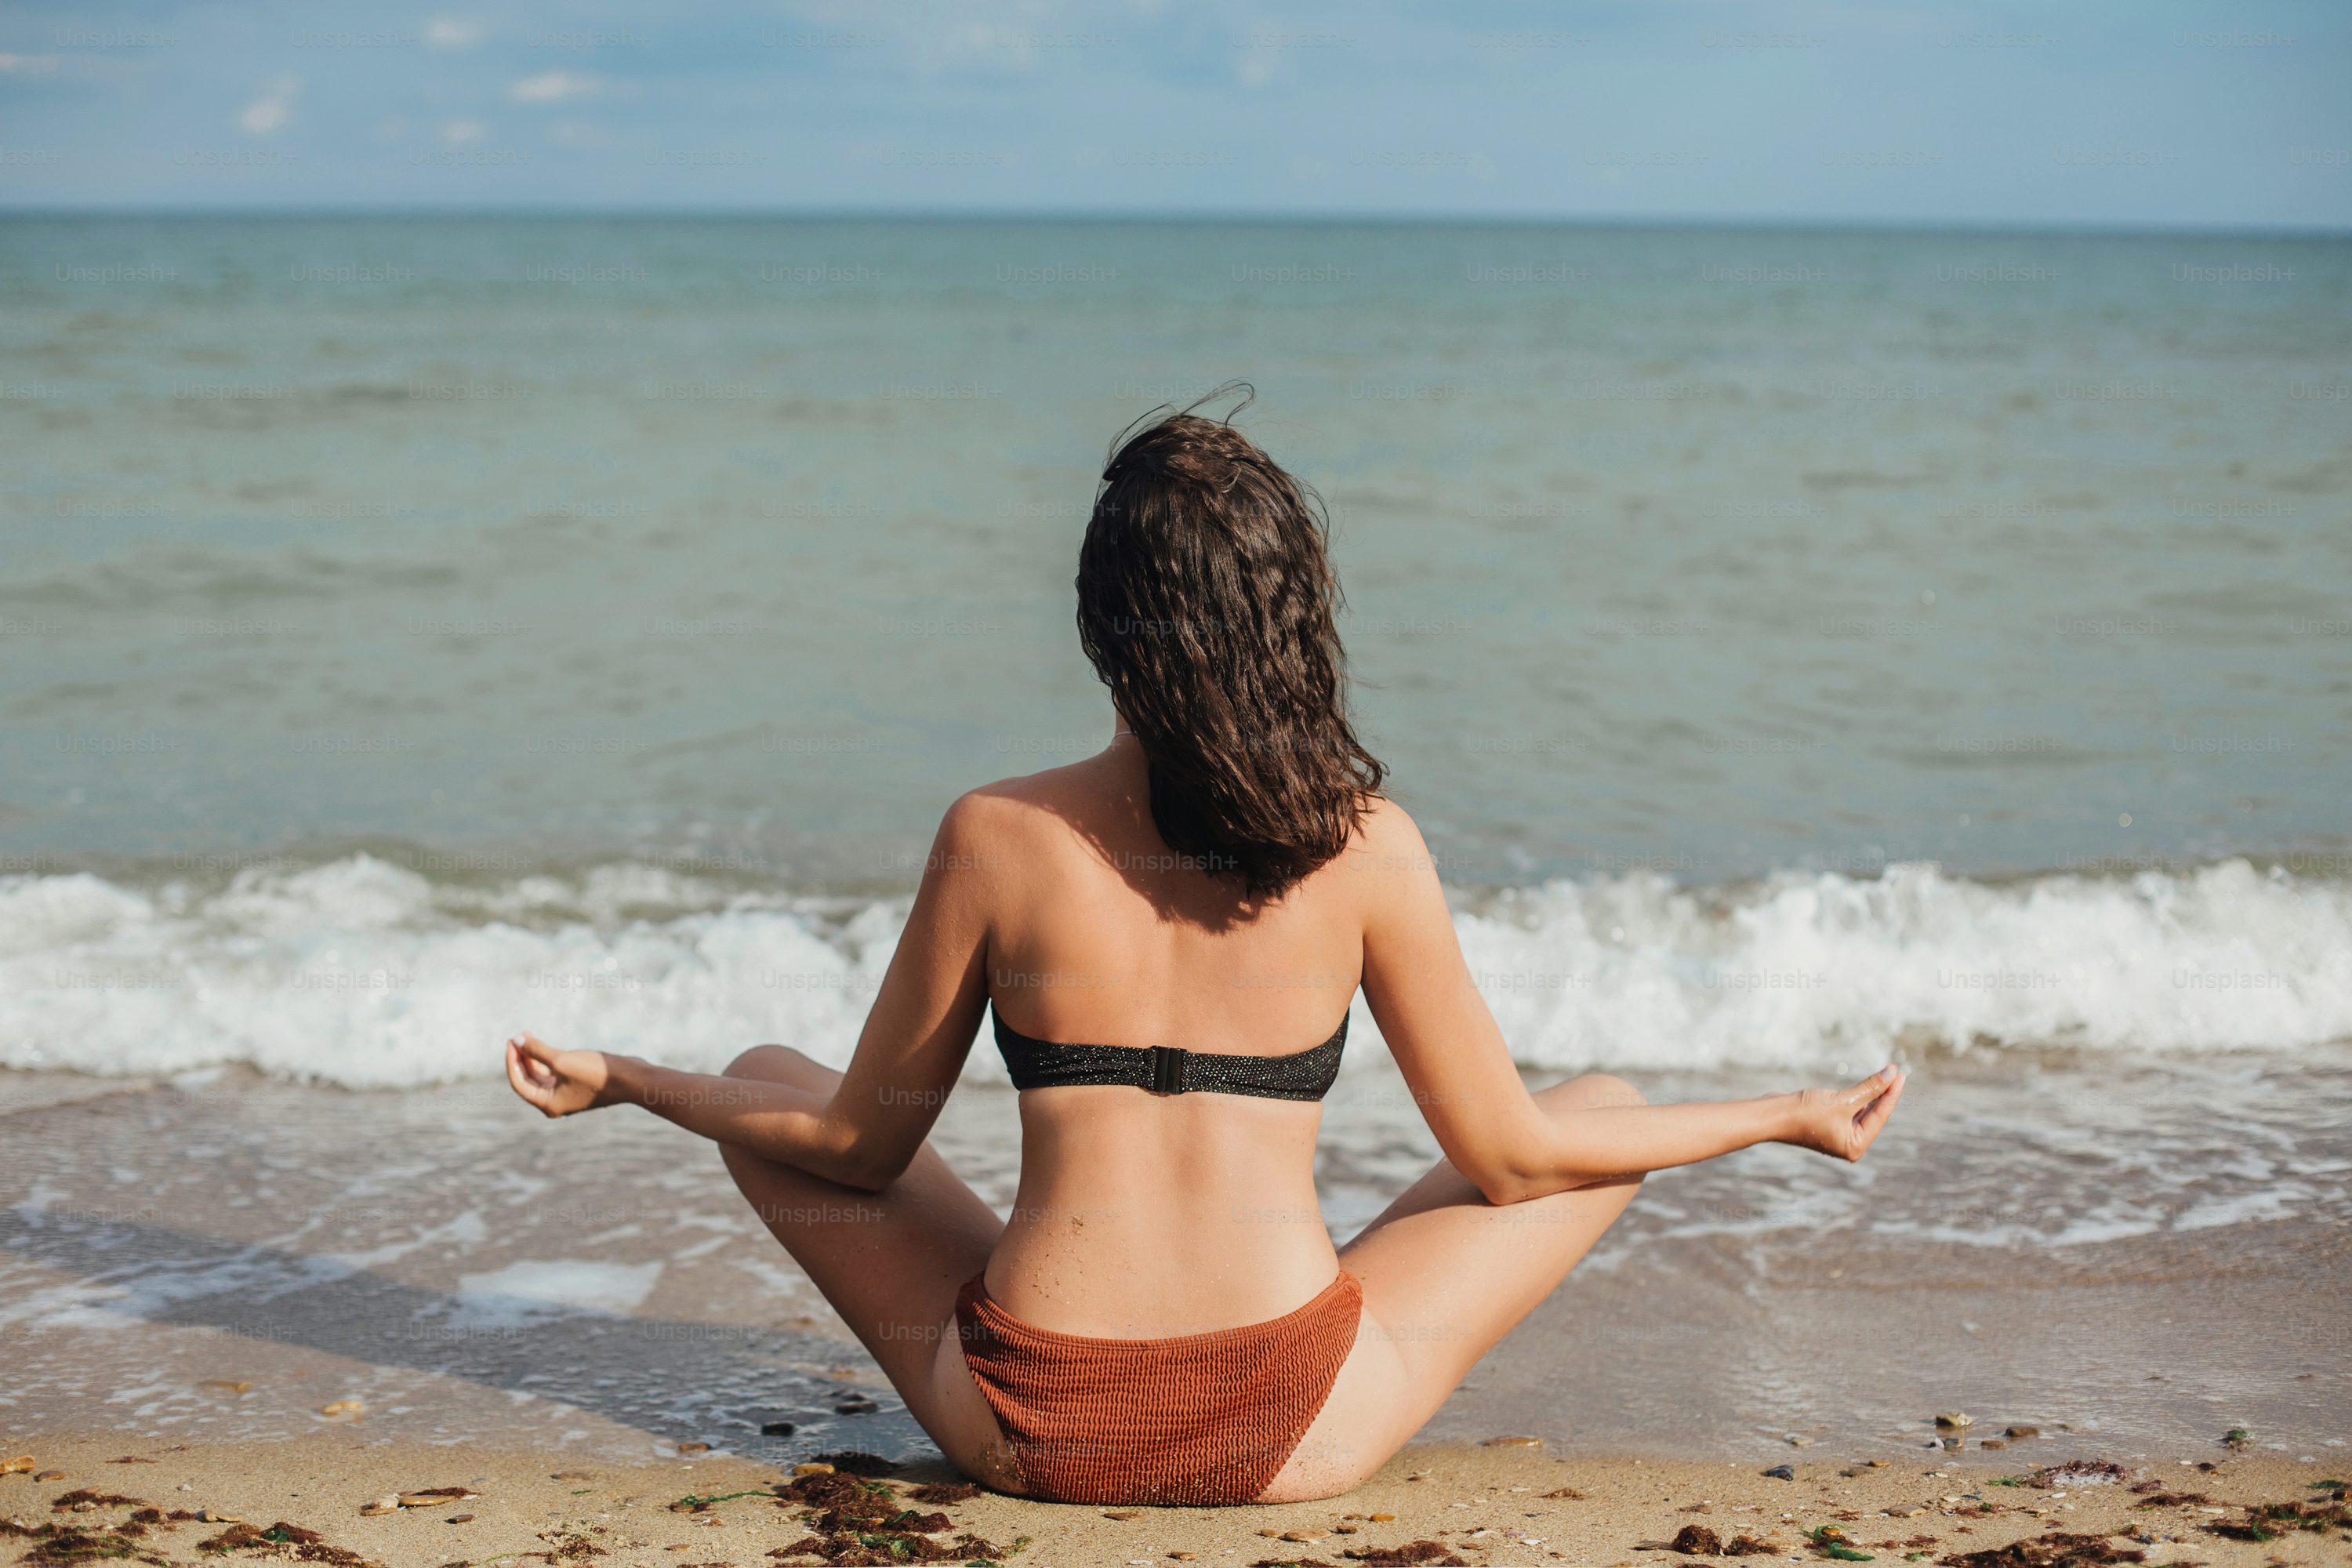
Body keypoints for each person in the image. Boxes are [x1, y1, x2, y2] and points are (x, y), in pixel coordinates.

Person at [503, 397, 1906, 1506]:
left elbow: (855, 1148)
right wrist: (1784, 1114)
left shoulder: (996, 833)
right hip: (1291, 1427)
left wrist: (626, 1078)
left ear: (1101, 625)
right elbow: (1515, 1161)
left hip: (1024, 1425)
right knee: (1597, 1112)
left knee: (761, 1076)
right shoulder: (1366, 847)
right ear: (1293, 617)